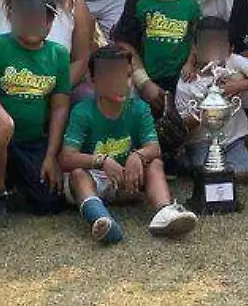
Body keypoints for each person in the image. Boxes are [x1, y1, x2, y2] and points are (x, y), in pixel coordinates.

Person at [58, 43, 198, 242]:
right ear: (92, 79)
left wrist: (137, 155)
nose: (121, 82)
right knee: (77, 175)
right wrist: (101, 161)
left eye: (127, 75)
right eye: (111, 76)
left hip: (127, 180)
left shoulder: (139, 108)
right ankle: (100, 219)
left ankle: (165, 212)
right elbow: (66, 158)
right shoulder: (82, 112)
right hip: (96, 178)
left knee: (155, 163)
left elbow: (154, 148)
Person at [0, 0, 75, 224]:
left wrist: (51, 156)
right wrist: (5, 121)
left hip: (31, 140)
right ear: (13, 16)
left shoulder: (58, 55)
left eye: (40, 15)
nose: (32, 20)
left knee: (49, 203)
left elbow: (60, 107)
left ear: (50, 22)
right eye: (25, 14)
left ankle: (14, 178)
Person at [175, 16, 248, 181]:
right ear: (195, 49)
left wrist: (236, 86)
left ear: (230, 49)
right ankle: (187, 160)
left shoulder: (233, 62)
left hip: (232, 139)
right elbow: (183, 124)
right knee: (207, 174)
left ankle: (232, 160)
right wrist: (207, 113)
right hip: (200, 141)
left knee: (245, 173)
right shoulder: (186, 81)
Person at [113, 0, 200, 113]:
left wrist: (190, 63)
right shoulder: (143, 4)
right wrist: (143, 79)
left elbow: (196, 38)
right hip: (151, 72)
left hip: (180, 75)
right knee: (151, 112)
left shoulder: (190, 5)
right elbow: (130, 39)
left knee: (177, 115)